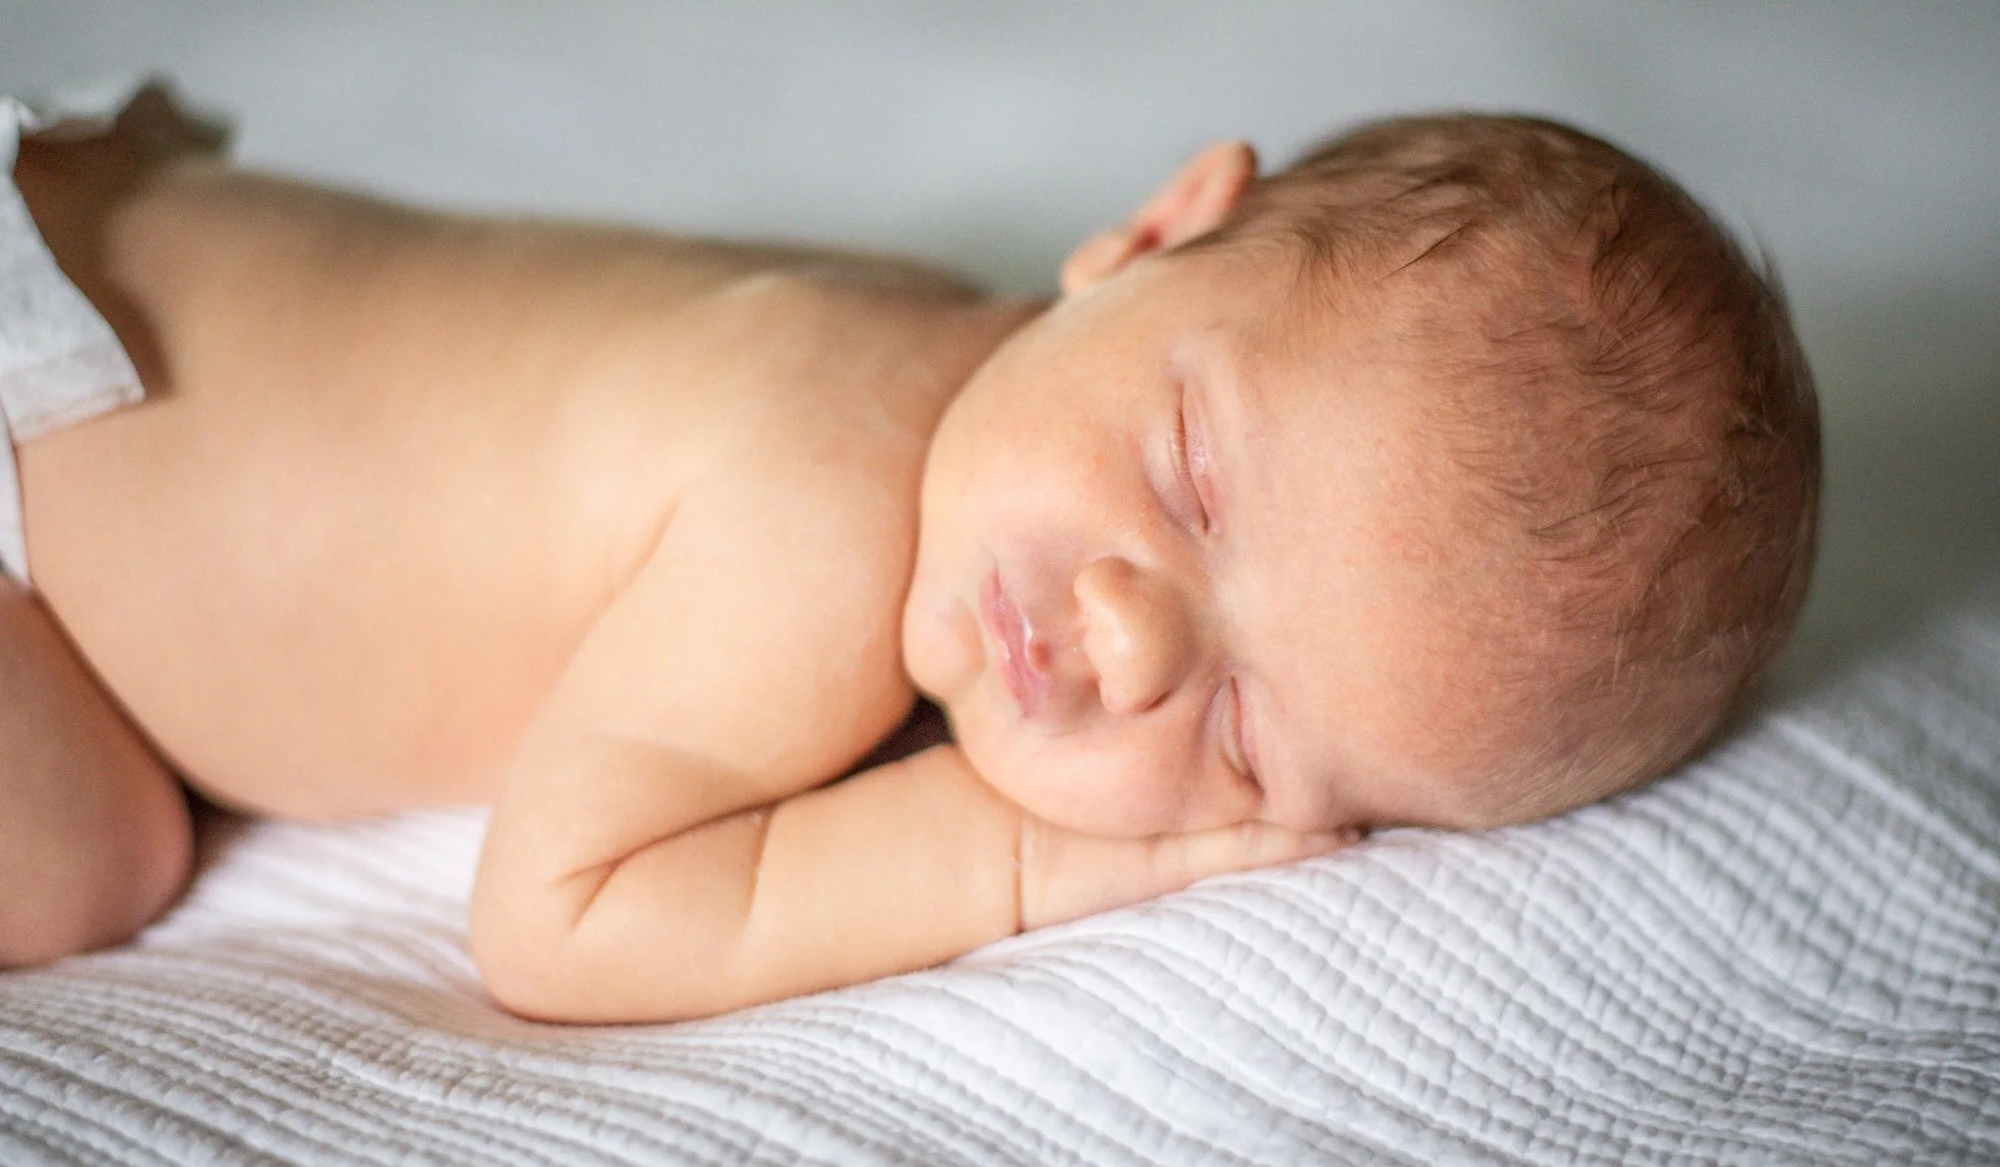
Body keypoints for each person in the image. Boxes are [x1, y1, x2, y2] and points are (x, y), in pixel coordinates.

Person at [0, 84, 1818, 1022]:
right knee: (92, 861)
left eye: (1247, 739)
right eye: (1187, 478)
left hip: (84, 235)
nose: (1121, 640)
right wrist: (1009, 858)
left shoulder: (944, 350)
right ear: (1154, 230)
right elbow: (560, 924)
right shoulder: (824, 505)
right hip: (33, 433)